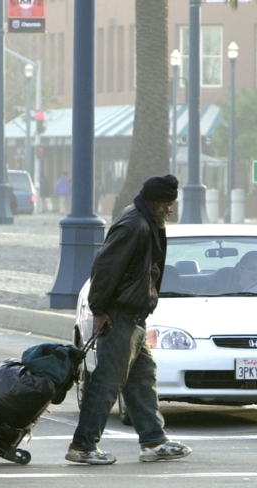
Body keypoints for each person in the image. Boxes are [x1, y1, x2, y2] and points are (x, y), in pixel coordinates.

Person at [66, 174, 191, 465]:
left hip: (133, 317)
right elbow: (105, 267)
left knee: (142, 381)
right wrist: (99, 310)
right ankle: (83, 446)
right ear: (157, 202)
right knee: (107, 382)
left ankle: (153, 442)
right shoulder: (135, 224)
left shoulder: (145, 220)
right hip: (119, 316)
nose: (171, 209)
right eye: (169, 204)